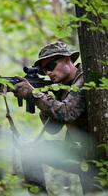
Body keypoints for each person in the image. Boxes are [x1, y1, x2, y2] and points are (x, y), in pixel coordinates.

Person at [13, 41, 93, 195]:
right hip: (83, 151)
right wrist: (42, 98)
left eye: (50, 66)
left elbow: (67, 112)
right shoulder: (61, 87)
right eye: (43, 70)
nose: (48, 73)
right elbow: (53, 130)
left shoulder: (85, 77)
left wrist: (34, 95)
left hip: (99, 150)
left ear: (67, 59)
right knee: (30, 152)